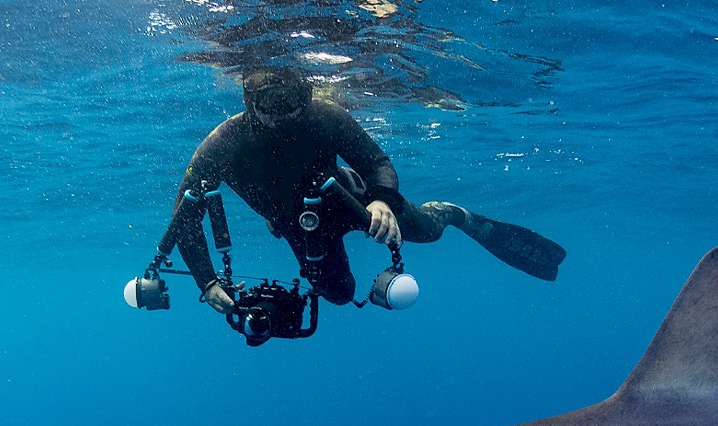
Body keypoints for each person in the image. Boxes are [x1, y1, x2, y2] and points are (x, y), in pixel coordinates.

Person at [169, 67, 566, 314]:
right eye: (274, 104)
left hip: (353, 200)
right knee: (339, 294)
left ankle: (451, 213)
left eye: (295, 101)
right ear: (249, 103)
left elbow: (376, 163)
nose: (288, 113)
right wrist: (206, 281)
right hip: (301, 229)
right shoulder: (221, 145)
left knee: (428, 231)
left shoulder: (325, 116)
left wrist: (381, 201)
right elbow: (184, 218)